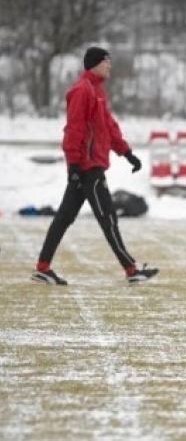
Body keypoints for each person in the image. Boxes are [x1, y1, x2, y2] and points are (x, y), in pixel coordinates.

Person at [31, 47, 159, 286]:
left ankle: (43, 267)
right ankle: (131, 270)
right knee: (108, 218)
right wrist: (74, 166)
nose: (110, 66)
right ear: (94, 64)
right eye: (106, 62)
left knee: (64, 218)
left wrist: (127, 153)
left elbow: (108, 127)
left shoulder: (97, 92)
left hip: (89, 166)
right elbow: (74, 130)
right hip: (88, 169)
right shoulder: (82, 91)